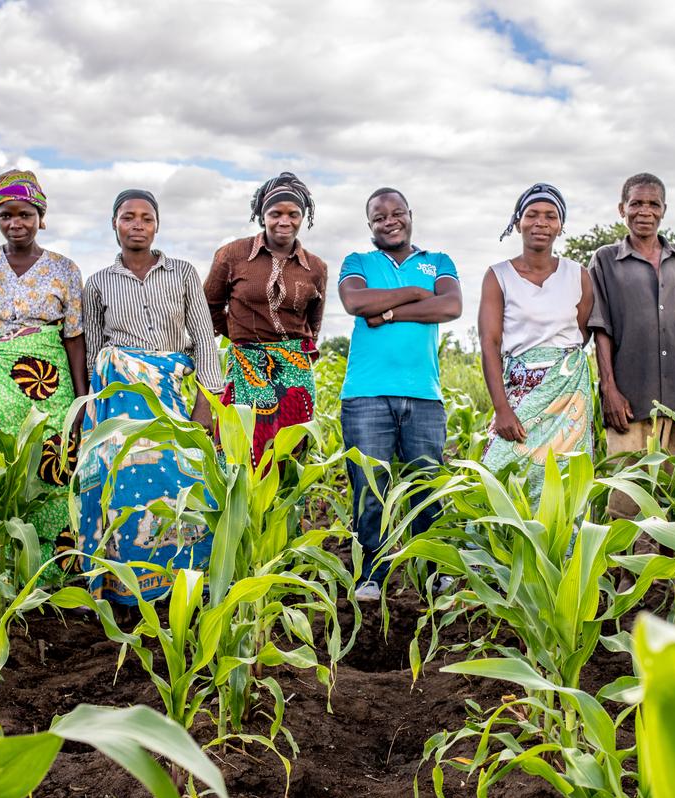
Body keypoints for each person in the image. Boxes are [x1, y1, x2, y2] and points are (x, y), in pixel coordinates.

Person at [78, 189, 224, 604]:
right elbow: (93, 351)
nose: (137, 224)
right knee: (122, 490)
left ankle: (185, 585)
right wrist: (93, 408)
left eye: (145, 217)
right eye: (128, 217)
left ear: (157, 225)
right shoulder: (98, 283)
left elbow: (203, 340)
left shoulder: (182, 274)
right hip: (119, 401)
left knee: (181, 485)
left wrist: (206, 402)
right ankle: (123, 591)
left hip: (173, 393)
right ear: (114, 225)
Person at [0, 169, 87, 578]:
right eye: (6, 215)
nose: (16, 223)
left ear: (40, 215)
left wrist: (81, 401)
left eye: (25, 214)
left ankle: (53, 576)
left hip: (49, 387)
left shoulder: (64, 269)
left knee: (54, 474)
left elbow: (74, 338)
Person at [337, 188, 462, 601]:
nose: (389, 221)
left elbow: (450, 307)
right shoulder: (358, 262)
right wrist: (416, 293)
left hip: (424, 396)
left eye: (396, 213)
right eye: (378, 217)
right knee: (370, 487)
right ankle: (371, 572)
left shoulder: (438, 261)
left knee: (428, 486)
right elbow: (355, 301)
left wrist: (387, 312)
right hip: (366, 395)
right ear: (369, 224)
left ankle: (433, 570)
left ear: (410, 214)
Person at [587, 173, 675, 517]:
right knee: (627, 494)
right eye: (636, 203)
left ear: (664, 210)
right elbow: (601, 330)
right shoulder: (605, 261)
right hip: (630, 399)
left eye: (653, 204)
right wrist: (610, 390)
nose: (644, 211)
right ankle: (627, 571)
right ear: (622, 209)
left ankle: (673, 570)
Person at [479, 183, 594, 508]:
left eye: (550, 216)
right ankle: (500, 557)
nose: (541, 222)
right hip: (520, 389)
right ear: (517, 223)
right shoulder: (498, 276)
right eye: (532, 215)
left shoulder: (578, 275)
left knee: (565, 478)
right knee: (500, 470)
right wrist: (502, 408)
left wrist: (557, 365)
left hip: (569, 393)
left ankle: (563, 556)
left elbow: (581, 333)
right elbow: (489, 343)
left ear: (560, 226)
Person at [204, 172, 327, 465]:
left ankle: (282, 511)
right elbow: (208, 307)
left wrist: (290, 354)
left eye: (293, 214)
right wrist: (238, 334)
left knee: (289, 454)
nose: (285, 221)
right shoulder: (232, 255)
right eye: (275, 213)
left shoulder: (316, 267)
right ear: (262, 216)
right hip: (247, 366)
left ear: (303, 217)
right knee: (240, 450)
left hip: (295, 374)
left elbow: (313, 325)